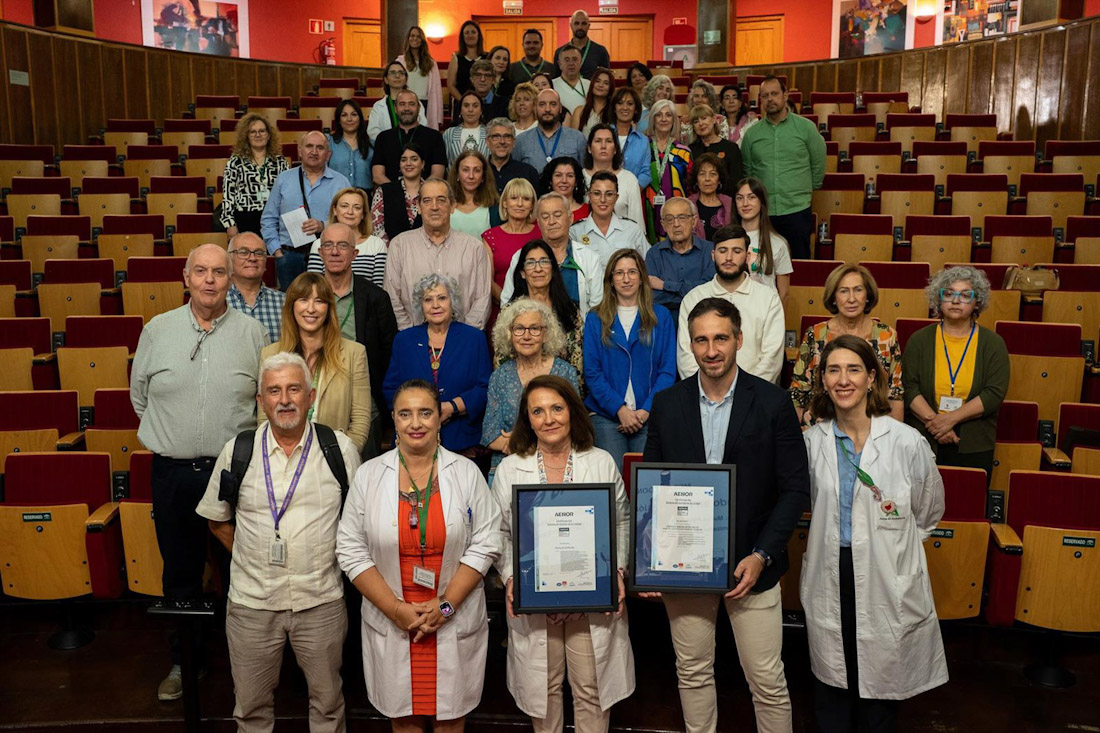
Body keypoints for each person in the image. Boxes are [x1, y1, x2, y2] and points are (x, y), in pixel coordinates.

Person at [643, 296, 808, 733]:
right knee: (693, 673)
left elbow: (795, 490)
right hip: (686, 569)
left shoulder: (773, 403)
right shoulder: (666, 403)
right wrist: (652, 564)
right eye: (701, 340)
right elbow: (653, 491)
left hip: (752, 567)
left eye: (720, 338)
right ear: (690, 345)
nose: (711, 350)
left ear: (738, 339)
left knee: (767, 681)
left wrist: (762, 555)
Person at [130, 244, 268, 700]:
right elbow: (140, 398)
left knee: (242, 571)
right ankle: (184, 662)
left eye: (219, 272)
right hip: (173, 473)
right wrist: (179, 432)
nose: (210, 280)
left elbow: (262, 403)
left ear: (231, 279)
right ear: (185, 277)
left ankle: (246, 663)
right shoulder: (157, 330)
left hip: (235, 475)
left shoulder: (252, 333)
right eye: (201, 272)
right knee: (181, 573)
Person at [197, 352, 362, 733]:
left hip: (320, 601)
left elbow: (359, 523)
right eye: (274, 391)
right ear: (261, 401)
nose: (284, 399)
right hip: (252, 604)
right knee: (251, 709)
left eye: (293, 389)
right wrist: (250, 559)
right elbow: (217, 518)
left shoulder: (338, 450)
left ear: (311, 395)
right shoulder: (237, 451)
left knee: (328, 704)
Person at [336, 379, 502, 730]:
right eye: (405, 414)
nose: (416, 423)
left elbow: (487, 540)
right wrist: (395, 610)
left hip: (450, 615)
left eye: (425, 413)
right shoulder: (368, 476)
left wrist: (445, 607)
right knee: (404, 720)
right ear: (393, 420)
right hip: (395, 617)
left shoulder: (466, 473)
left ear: (439, 419)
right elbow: (349, 548)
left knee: (450, 720)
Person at [802, 335, 948, 731]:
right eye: (833, 370)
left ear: (871, 378)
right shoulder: (812, 442)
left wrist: (890, 547)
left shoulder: (905, 441)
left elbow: (929, 509)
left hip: (887, 573)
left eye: (853, 369)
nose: (842, 380)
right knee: (834, 676)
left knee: (880, 683)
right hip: (832, 569)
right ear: (823, 380)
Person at [491, 375, 634, 731]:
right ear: (527, 418)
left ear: (572, 411)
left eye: (557, 408)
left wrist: (615, 570)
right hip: (535, 598)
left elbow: (622, 521)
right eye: (537, 411)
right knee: (545, 689)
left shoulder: (600, 462)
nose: (548, 418)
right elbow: (499, 533)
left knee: (591, 689)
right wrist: (511, 576)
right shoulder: (510, 468)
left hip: (591, 596)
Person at [902, 266, 1009, 479]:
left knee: (966, 504)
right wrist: (936, 423)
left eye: (965, 295)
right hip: (923, 437)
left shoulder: (993, 343)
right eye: (948, 293)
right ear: (938, 299)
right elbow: (908, 387)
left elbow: (994, 393)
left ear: (977, 302)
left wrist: (949, 420)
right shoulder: (919, 340)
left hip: (974, 442)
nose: (956, 300)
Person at [583, 249, 675, 467]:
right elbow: (592, 372)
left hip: (649, 414)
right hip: (606, 416)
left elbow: (668, 371)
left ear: (642, 277)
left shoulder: (660, 316)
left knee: (644, 486)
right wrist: (620, 409)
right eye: (619, 273)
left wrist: (644, 411)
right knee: (613, 485)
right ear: (611, 280)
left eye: (632, 272)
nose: (626, 279)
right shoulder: (595, 318)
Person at [260, 272, 371, 453]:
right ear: (292, 306)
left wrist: (339, 459)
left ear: (329, 308)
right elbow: (264, 417)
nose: (311, 309)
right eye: (303, 300)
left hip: (335, 461)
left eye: (319, 301)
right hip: (282, 461)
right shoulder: (270, 354)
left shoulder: (354, 353)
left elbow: (360, 420)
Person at [383, 274, 491, 456]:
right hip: (414, 436)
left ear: (453, 302)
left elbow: (485, 388)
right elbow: (391, 389)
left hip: (462, 439)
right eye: (428, 300)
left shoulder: (474, 338)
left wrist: (452, 407)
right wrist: (416, 414)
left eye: (442, 298)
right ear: (420, 305)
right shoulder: (404, 340)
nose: (435, 305)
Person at [318, 223, 398, 460]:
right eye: (328, 245)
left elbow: (388, 355)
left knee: (365, 482)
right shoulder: (306, 295)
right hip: (317, 400)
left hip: (363, 405)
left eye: (342, 245)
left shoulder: (375, 298)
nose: (334, 252)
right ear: (320, 252)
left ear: (355, 254)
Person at [790, 264, 904, 426]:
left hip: (873, 428)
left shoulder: (887, 336)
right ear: (834, 297)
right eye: (843, 291)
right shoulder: (815, 334)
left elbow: (895, 393)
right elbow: (798, 391)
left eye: (858, 290)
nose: (852, 298)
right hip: (821, 425)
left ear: (868, 295)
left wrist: (893, 442)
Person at [676, 225, 784, 383]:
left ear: (747, 256)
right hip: (704, 397)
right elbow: (687, 357)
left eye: (737, 251)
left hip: (755, 397)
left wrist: (746, 393)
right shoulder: (693, 299)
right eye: (722, 250)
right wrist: (709, 391)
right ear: (713, 255)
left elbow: (771, 360)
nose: (728, 257)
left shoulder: (768, 299)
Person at [385, 178, 492, 330]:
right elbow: (392, 298)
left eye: (441, 200)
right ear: (419, 207)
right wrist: (411, 335)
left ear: (453, 205)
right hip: (412, 341)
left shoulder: (474, 248)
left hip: (463, 342)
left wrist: (464, 337)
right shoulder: (399, 246)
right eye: (427, 201)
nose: (434, 207)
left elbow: (482, 299)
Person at [741, 76, 827, 260]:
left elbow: (818, 163)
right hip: (764, 211)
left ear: (785, 95)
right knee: (763, 265)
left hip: (796, 208)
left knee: (799, 264)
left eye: (774, 94)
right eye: (765, 96)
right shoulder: (752, 134)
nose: (770, 99)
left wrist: (806, 188)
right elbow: (748, 172)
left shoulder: (806, 128)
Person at [482, 298, 579, 458]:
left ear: (545, 334)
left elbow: (575, 425)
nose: (526, 336)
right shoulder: (500, 376)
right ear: (509, 334)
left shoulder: (565, 372)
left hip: (556, 458)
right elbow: (490, 435)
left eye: (534, 328)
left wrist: (521, 442)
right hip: (511, 460)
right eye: (519, 329)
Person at [261, 131, 351, 290]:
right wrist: (277, 251)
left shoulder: (341, 183)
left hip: (328, 255)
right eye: (309, 146)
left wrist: (323, 225)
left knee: (326, 303)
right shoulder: (284, 179)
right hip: (289, 256)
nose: (314, 152)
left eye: (320, 148)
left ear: (328, 154)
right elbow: (268, 219)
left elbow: (350, 221)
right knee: (290, 306)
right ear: (300, 151)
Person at [501, 194, 603, 320]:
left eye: (558, 215)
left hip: (577, 335)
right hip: (531, 335)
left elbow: (597, 308)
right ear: (538, 223)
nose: (552, 221)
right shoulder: (520, 257)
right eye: (545, 217)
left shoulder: (590, 258)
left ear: (570, 218)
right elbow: (507, 302)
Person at [503, 240, 586, 380]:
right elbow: (502, 361)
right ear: (522, 273)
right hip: (517, 390)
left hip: (562, 388)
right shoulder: (509, 312)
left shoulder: (570, 311)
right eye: (530, 263)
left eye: (544, 262)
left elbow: (577, 365)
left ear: (553, 270)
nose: (538, 269)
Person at [644, 196, 714, 320]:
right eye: (670, 219)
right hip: (666, 321)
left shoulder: (710, 251)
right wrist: (690, 291)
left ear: (694, 220)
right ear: (663, 225)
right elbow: (654, 298)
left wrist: (665, 285)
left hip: (705, 319)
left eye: (682, 218)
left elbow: (709, 291)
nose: (676, 224)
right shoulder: (654, 254)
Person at [220, 113, 289, 237]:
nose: (258, 135)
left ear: (269, 135)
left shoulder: (280, 162)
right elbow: (228, 196)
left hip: (273, 220)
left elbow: (287, 193)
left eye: (262, 131)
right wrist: (230, 224)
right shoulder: (235, 162)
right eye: (253, 132)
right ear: (246, 136)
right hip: (244, 219)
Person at [307, 187, 387, 287]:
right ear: (335, 210)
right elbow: (313, 285)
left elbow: (378, 287)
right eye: (344, 206)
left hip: (366, 301)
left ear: (363, 214)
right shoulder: (319, 244)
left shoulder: (377, 244)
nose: (350, 212)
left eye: (357, 207)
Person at [570, 170, 649, 269]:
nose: (603, 200)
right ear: (589, 197)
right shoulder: (575, 232)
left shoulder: (632, 229)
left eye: (609, 194)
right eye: (597, 194)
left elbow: (649, 264)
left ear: (616, 198)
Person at [734, 177, 793, 303]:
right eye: (740, 198)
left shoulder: (778, 243)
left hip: (765, 312)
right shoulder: (726, 239)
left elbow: (784, 294)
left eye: (751, 197)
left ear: (762, 202)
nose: (745, 203)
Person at [371, 90, 447, 185]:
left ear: (419, 108)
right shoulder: (383, 138)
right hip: (391, 195)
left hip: (424, 196)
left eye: (411, 104)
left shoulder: (434, 137)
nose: (407, 108)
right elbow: (377, 176)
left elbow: (438, 175)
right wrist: (398, 192)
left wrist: (418, 193)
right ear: (395, 108)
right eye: (402, 104)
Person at [483, 177, 539, 306]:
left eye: (526, 199)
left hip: (537, 307)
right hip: (501, 307)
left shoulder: (541, 234)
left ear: (532, 205)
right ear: (504, 203)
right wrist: (509, 304)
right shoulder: (490, 236)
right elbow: (488, 281)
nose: (520, 204)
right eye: (514, 198)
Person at [644, 99, 692, 243]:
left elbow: (690, 185)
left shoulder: (683, 152)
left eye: (668, 115)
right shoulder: (643, 147)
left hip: (676, 210)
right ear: (653, 119)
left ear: (674, 120)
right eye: (659, 115)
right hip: (647, 209)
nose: (664, 119)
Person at [227, 231, 285, 341]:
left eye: (259, 253)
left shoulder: (284, 302)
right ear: (229, 259)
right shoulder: (218, 301)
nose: (252, 258)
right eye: (243, 252)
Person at [513, 89, 588, 175]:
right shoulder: (521, 141)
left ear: (560, 108)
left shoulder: (578, 138)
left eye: (553, 104)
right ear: (535, 109)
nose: (547, 109)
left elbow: (584, 174)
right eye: (542, 104)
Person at [582, 123, 644, 225]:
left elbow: (637, 224)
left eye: (608, 141)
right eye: (598, 141)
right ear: (589, 148)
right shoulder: (579, 177)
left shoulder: (629, 179)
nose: (603, 146)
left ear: (615, 149)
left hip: (623, 238)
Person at [371, 142, 425, 246]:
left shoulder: (432, 191)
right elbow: (377, 229)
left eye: (414, 159)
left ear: (422, 164)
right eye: (404, 160)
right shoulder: (384, 191)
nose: (408, 163)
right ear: (400, 165)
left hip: (427, 254)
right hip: (392, 254)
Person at [368, 62, 430, 142]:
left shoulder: (416, 103)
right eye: (393, 73)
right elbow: (372, 132)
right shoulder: (378, 106)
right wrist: (392, 142)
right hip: (387, 148)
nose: (397, 76)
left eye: (401, 73)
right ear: (386, 79)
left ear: (406, 79)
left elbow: (423, 126)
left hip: (413, 147)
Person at [398, 26, 443, 130]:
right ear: (408, 39)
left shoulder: (431, 63)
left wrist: (439, 116)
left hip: (425, 103)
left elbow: (437, 89)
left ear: (422, 40)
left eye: (418, 37)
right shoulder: (401, 61)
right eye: (412, 36)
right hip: (407, 104)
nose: (415, 39)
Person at [447, 149, 501, 239]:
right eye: (465, 170)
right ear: (457, 174)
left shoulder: (494, 208)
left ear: (483, 176)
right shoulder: (445, 204)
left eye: (477, 170)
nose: (471, 176)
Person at [609, 86, 652, 192]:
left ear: (636, 109)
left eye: (630, 104)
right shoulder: (602, 134)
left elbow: (646, 173)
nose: (625, 107)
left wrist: (631, 193)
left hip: (632, 195)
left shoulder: (643, 140)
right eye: (620, 103)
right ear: (614, 108)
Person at [688, 106, 742, 185]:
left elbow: (737, 181)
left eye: (704, 118)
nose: (700, 123)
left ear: (714, 119)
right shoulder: (690, 150)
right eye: (696, 121)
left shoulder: (731, 148)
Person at [486, 117, 540, 196]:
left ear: (514, 142)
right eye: (496, 137)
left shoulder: (528, 172)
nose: (502, 141)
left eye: (507, 136)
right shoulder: (479, 171)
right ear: (487, 142)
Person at [688, 153, 733, 244]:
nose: (707, 179)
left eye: (713, 174)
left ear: (719, 179)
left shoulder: (730, 204)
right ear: (696, 179)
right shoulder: (687, 205)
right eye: (702, 174)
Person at [553, 10, 611, 79]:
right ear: (571, 25)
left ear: (588, 26)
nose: (580, 27)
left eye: (583, 23)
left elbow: (607, 78)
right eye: (576, 23)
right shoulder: (560, 52)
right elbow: (556, 79)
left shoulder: (601, 51)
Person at [447, 20, 485, 120]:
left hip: (483, 105)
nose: (470, 35)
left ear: (478, 35)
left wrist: (478, 104)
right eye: (467, 32)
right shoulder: (456, 57)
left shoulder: (487, 57)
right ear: (462, 37)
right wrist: (464, 103)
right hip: (461, 104)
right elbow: (450, 85)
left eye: (473, 32)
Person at [330, 99, 372, 191]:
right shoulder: (329, 143)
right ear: (339, 120)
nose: (349, 119)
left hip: (365, 197)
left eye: (354, 114)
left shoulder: (372, 145)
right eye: (344, 115)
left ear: (360, 119)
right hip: (335, 195)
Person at [443, 92, 489, 166]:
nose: (470, 110)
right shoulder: (449, 133)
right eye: (466, 105)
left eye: (475, 106)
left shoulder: (489, 133)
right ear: (460, 110)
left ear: (481, 111)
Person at [538, 156, 589, 222]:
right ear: (550, 180)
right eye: (558, 175)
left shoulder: (589, 211)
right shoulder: (539, 211)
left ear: (576, 181)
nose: (564, 180)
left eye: (570, 176)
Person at [569, 67, 614, 135]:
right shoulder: (579, 111)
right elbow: (574, 140)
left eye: (606, 83)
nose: (601, 85)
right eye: (597, 81)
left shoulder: (614, 112)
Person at [468, 58, 510, 123]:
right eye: (478, 75)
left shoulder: (505, 104)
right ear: (472, 79)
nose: (482, 79)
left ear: (493, 80)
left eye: (487, 75)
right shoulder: (463, 104)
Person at [551, 45, 590, 115]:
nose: (571, 63)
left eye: (575, 59)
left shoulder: (590, 85)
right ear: (559, 64)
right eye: (567, 60)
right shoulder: (551, 85)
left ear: (581, 63)